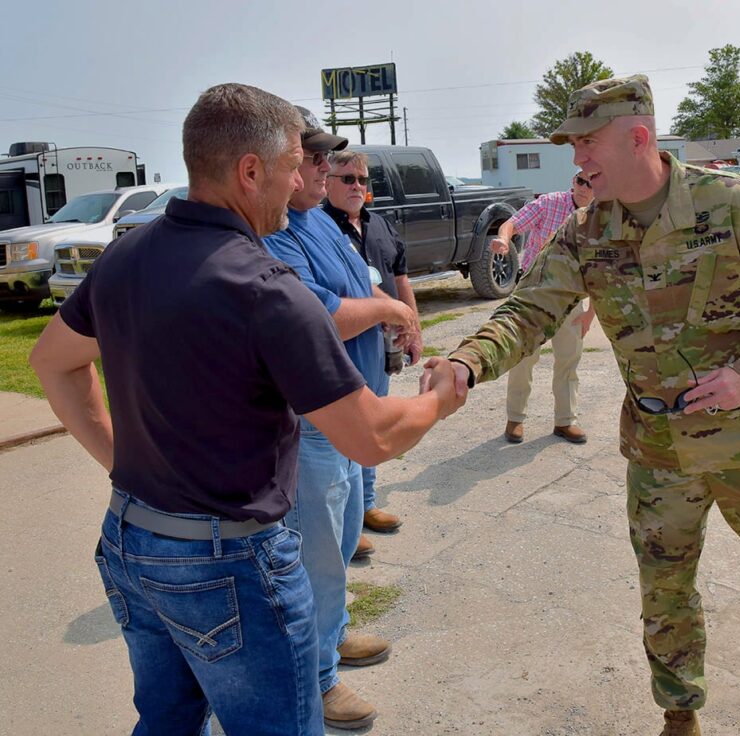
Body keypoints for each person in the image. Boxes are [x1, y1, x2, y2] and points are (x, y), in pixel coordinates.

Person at [28, 84, 465, 736]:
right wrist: (440, 399)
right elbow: (371, 437)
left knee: (168, 721)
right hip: (229, 564)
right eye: (293, 164)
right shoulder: (265, 288)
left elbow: (53, 361)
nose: (301, 179)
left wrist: (121, 462)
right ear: (250, 171)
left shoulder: (126, 255)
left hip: (130, 541)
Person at [445, 75, 740, 736]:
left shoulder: (733, 204)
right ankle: (679, 710)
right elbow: (529, 311)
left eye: (587, 143)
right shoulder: (587, 232)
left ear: (638, 136)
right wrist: (467, 362)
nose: (576, 159)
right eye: (572, 145)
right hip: (659, 450)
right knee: (665, 591)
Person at [263, 107, 419, 730]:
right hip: (319, 420)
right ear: (280, 166)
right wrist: (385, 308)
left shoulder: (318, 219)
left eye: (330, 158)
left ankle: (330, 642)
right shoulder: (276, 232)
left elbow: (366, 284)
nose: (328, 168)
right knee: (317, 554)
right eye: (315, 158)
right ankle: (317, 680)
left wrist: (390, 308)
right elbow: (320, 316)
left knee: (344, 534)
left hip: (354, 406)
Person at [323, 149, 422, 544]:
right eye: (347, 179)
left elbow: (402, 277)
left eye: (363, 180)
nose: (357, 187)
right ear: (326, 182)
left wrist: (412, 327)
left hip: (381, 348)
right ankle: (346, 520)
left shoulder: (379, 224)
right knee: (343, 432)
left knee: (374, 423)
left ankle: (365, 505)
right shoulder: (320, 229)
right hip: (343, 345)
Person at [490, 173, 595, 444]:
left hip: (571, 296)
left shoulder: (600, 217)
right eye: (581, 181)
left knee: (568, 361)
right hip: (533, 292)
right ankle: (515, 419)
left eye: (592, 183)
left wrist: (589, 314)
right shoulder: (549, 204)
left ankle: (565, 421)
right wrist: (504, 240)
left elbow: (603, 270)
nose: (585, 188)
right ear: (572, 181)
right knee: (523, 358)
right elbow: (512, 224)